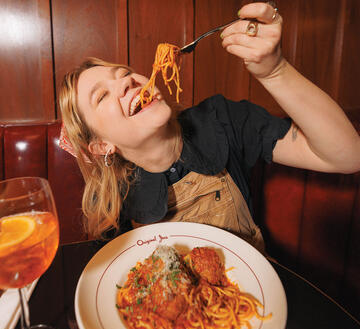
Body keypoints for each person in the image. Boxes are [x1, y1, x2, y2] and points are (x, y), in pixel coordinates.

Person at [59, 2, 360, 253]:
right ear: (101, 146)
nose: (126, 80)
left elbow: (348, 156)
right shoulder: (112, 201)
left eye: (123, 72)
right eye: (102, 95)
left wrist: (275, 71)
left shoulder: (222, 119)